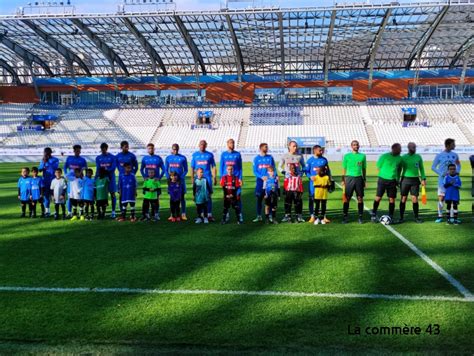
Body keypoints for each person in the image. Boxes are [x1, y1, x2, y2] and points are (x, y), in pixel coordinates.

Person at [371, 143, 402, 223]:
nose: (400, 150)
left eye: (400, 149)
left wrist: (397, 179)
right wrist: (382, 176)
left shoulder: (400, 159)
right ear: (393, 149)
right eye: (398, 149)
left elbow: (399, 170)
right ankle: (374, 213)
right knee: (378, 197)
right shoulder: (384, 156)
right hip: (382, 180)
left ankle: (391, 215)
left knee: (392, 199)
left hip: (392, 181)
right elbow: (378, 166)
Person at [432, 139, 461, 223]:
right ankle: (439, 216)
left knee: (452, 198)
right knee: (441, 198)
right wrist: (441, 173)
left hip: (453, 181)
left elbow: (458, 165)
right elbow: (433, 167)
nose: (454, 145)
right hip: (442, 181)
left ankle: (452, 217)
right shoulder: (439, 155)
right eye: (453, 144)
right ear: (448, 145)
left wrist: (457, 172)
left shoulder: (455, 155)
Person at [399, 142, 426, 224]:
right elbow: (399, 169)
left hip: (415, 180)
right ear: (408, 148)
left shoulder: (418, 157)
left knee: (415, 199)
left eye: (414, 147)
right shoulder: (403, 157)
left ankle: (416, 217)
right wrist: (397, 178)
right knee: (403, 198)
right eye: (412, 147)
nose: (413, 149)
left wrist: (423, 178)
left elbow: (421, 168)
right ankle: (401, 217)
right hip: (405, 180)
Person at [342, 140, 367, 224]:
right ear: (351, 146)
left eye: (357, 145)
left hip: (359, 178)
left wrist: (364, 179)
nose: (356, 146)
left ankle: (360, 217)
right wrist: (343, 180)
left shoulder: (363, 156)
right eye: (354, 145)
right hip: (349, 178)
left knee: (360, 198)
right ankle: (345, 217)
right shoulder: (346, 156)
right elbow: (344, 169)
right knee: (347, 198)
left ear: (359, 146)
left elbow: (364, 169)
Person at [191, 140, 216, 221]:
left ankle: (209, 214)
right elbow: (192, 167)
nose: (202, 146)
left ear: (206, 145)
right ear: (199, 145)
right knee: (198, 196)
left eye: (204, 145)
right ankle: (200, 215)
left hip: (207, 178)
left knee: (208, 196)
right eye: (201, 144)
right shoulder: (195, 155)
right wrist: (192, 178)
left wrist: (214, 177)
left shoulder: (210, 155)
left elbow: (213, 166)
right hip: (198, 179)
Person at [306, 145, 332, 223]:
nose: (321, 152)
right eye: (319, 150)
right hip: (313, 184)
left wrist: (330, 180)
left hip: (323, 184)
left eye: (321, 150)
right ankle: (312, 216)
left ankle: (323, 216)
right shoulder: (310, 160)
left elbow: (328, 171)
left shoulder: (324, 160)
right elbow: (306, 171)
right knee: (312, 199)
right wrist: (310, 177)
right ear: (315, 150)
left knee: (323, 200)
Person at [252, 143, 276, 223]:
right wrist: (261, 177)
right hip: (260, 182)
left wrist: (273, 177)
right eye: (265, 147)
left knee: (269, 199)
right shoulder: (256, 159)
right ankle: (259, 216)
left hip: (269, 182)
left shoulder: (270, 158)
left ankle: (269, 216)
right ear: (261, 148)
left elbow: (274, 169)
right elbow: (255, 171)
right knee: (259, 198)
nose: (267, 148)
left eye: (267, 147)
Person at [220, 138, 243, 219]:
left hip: (235, 179)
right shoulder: (223, 154)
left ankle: (240, 214)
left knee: (238, 196)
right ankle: (226, 214)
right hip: (226, 180)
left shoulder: (237, 154)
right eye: (231, 143)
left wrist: (240, 178)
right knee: (226, 197)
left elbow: (240, 167)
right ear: (227, 144)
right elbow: (221, 167)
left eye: (233, 143)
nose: (232, 144)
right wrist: (221, 178)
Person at [164, 143, 188, 220]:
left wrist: (181, 177)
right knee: (172, 197)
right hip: (172, 182)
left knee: (182, 197)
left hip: (180, 181)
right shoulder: (168, 158)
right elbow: (166, 169)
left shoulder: (183, 158)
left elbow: (186, 170)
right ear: (172, 149)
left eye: (177, 149)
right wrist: (169, 178)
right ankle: (172, 214)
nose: (175, 150)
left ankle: (183, 214)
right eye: (174, 149)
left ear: (178, 149)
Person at [64, 144, 88, 217]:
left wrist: (83, 177)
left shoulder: (83, 160)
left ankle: (81, 212)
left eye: (79, 150)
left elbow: (85, 169)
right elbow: (65, 167)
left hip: (79, 181)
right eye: (76, 150)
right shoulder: (69, 158)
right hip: (71, 181)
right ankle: (69, 212)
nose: (78, 152)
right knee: (70, 196)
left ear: (80, 151)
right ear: (74, 151)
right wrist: (66, 175)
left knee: (79, 196)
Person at [95, 142, 117, 218]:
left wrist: (106, 170)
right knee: (101, 195)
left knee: (112, 194)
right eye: (102, 149)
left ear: (107, 148)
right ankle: (102, 212)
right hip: (102, 179)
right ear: (101, 149)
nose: (103, 150)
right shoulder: (98, 158)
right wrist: (96, 178)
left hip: (111, 178)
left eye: (104, 149)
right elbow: (98, 168)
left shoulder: (112, 157)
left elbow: (113, 168)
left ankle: (113, 211)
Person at [39, 147, 60, 217]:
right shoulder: (43, 160)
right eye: (45, 152)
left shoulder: (55, 159)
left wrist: (47, 162)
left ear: (50, 152)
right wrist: (43, 164)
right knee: (46, 196)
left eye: (48, 152)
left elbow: (55, 168)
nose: (46, 154)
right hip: (45, 180)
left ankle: (56, 211)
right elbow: (39, 169)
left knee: (55, 196)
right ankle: (47, 211)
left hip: (54, 180)